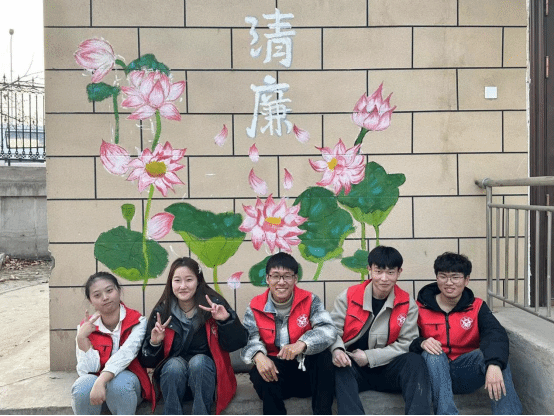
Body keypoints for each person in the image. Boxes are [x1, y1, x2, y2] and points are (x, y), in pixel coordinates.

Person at [410, 252, 523, 415]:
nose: (449, 283)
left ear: (466, 280)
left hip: (464, 372)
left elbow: (495, 334)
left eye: (455, 277)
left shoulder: (476, 306)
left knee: (496, 359)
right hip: (432, 374)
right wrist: (421, 342)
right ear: (437, 278)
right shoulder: (420, 307)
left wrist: (494, 364)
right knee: (433, 353)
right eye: (443, 276)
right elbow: (407, 340)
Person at [140, 257, 248, 415]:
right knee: (173, 365)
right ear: (171, 283)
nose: (183, 286)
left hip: (206, 379)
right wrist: (154, 343)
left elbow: (238, 343)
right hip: (172, 382)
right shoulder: (162, 311)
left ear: (198, 281)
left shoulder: (214, 305)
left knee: (199, 362)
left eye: (189, 280)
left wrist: (226, 321)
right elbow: (147, 362)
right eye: (177, 280)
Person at [331, 245, 431, 415]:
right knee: (337, 365)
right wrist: (337, 350)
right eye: (378, 271)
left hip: (388, 368)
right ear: (369, 269)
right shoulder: (348, 296)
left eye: (390, 272)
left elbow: (407, 343)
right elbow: (332, 331)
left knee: (415, 361)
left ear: (399, 272)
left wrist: (370, 357)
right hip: (353, 367)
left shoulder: (407, 303)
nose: (384, 278)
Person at [241, 252, 337, 415]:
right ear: (267, 279)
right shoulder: (255, 306)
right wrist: (258, 356)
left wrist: (303, 343)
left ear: (295, 279)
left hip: (306, 374)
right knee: (260, 370)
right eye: (275, 276)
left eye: (287, 276)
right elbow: (248, 338)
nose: (281, 282)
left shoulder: (310, 300)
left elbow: (328, 329)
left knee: (324, 358)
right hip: (277, 377)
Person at [71, 272, 153, 415]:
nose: (105, 297)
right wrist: (81, 339)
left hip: (128, 386)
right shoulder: (85, 327)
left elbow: (126, 354)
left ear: (119, 291)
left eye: (109, 291)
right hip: (97, 390)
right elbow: (87, 370)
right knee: (83, 386)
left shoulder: (137, 322)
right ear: (91, 301)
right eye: (97, 295)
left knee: (120, 383)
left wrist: (101, 380)